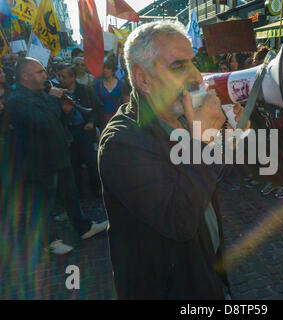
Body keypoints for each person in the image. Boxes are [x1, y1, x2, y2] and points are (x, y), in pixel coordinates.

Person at [98, 21, 249, 299]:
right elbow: (179, 220)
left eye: (194, 62)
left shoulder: (184, 116)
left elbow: (213, 175)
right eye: (179, 66)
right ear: (143, 79)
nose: (195, 75)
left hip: (205, 269)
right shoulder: (120, 143)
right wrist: (203, 140)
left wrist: (231, 138)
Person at [3, 58, 109, 258]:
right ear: (25, 76)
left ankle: (84, 227)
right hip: (40, 162)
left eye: (44, 71)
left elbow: (55, 121)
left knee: (71, 195)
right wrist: (53, 99)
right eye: (39, 72)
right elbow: (41, 123)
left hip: (59, 155)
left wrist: (66, 111)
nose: (45, 75)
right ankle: (47, 241)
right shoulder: (17, 100)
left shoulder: (41, 94)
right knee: (43, 204)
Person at [56, 63, 103, 196]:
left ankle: (97, 188)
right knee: (73, 163)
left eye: (63, 76)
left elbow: (97, 108)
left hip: (85, 131)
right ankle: (78, 191)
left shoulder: (85, 90)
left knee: (91, 161)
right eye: (58, 76)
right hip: (68, 132)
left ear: (73, 77)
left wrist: (92, 122)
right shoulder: (57, 93)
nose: (60, 79)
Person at [95, 57, 130, 126]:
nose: (105, 70)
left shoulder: (121, 84)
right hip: (103, 118)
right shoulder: (98, 84)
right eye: (104, 68)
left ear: (113, 70)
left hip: (118, 117)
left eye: (108, 68)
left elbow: (125, 102)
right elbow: (96, 103)